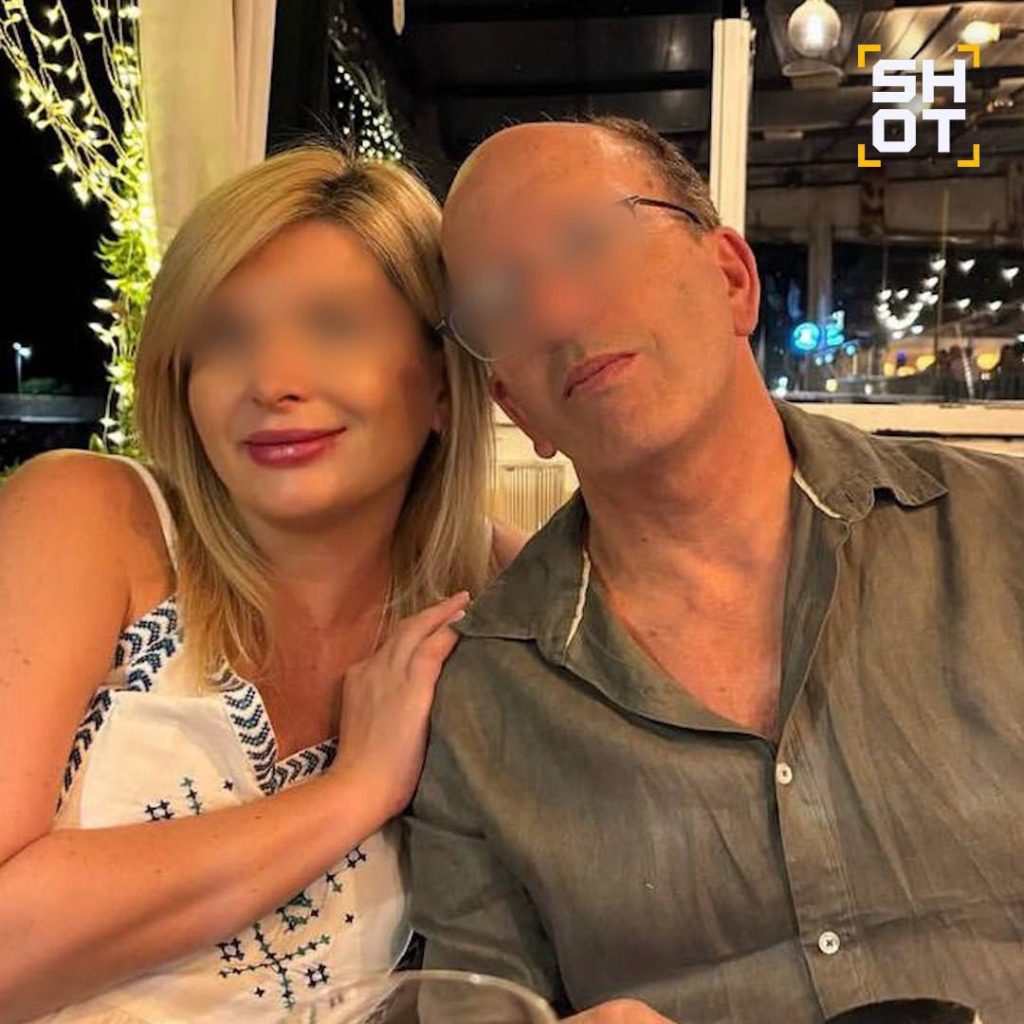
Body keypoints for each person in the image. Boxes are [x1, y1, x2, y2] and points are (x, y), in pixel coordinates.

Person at [407, 117, 1024, 1024]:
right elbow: (476, 1004)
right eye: (501, 299)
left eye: (589, 239)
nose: (557, 314)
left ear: (732, 278)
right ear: (514, 405)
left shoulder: (998, 532)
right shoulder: (485, 699)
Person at [0, 145, 522, 1021]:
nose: (272, 382)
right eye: (226, 336)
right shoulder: (91, 518)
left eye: (334, 326)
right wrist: (354, 791)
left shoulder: (494, 586)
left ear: (442, 384)